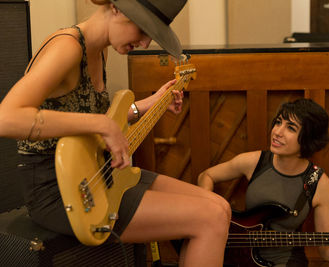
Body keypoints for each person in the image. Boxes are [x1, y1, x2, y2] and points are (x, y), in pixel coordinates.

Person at [0, 1, 230, 266]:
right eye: (143, 30)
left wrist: (152, 102)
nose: (145, 44)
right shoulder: (67, 47)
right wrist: (100, 124)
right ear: (117, 8)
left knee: (220, 207)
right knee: (208, 218)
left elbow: (97, 118)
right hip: (61, 189)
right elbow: (6, 118)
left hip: (100, 171)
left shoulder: (99, 51)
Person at [198, 98, 329, 266]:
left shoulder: (319, 184)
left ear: (308, 138)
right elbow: (206, 176)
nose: (277, 132)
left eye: (291, 128)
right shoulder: (254, 162)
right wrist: (208, 213)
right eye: (278, 122)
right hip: (239, 259)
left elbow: (327, 250)